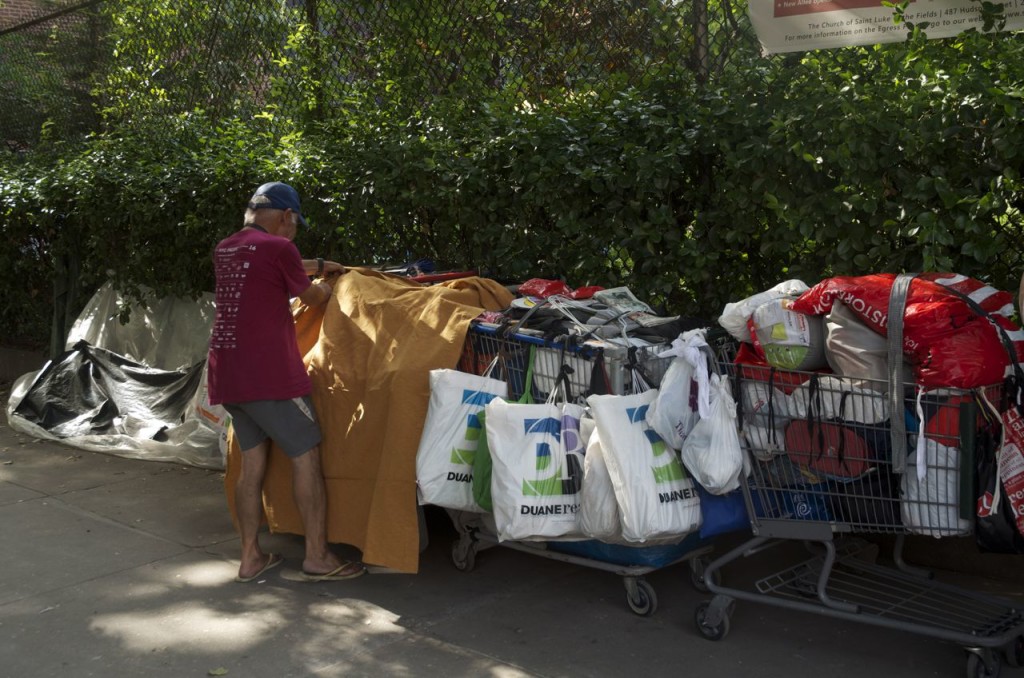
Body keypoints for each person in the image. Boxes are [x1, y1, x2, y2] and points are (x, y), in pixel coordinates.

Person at [208, 181, 365, 583]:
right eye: (296, 222)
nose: (295, 230)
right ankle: (317, 556)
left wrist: (315, 263)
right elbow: (312, 298)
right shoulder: (280, 249)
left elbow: (271, 268)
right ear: (287, 216)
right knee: (306, 456)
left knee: (252, 464)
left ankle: (250, 557)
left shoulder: (226, 248)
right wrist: (327, 284)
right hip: (270, 377)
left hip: (229, 375)